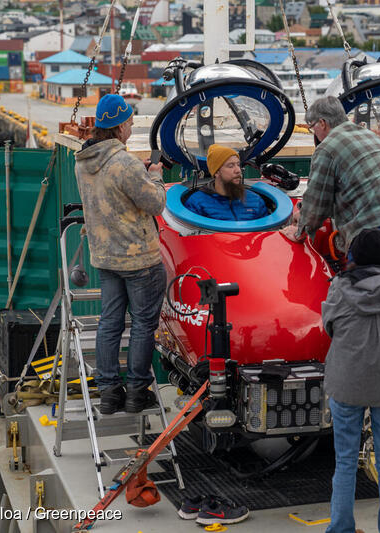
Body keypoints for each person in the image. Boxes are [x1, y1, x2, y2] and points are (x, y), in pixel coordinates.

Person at [281, 96, 380, 391]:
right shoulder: (370, 135)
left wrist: (299, 229)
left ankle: (367, 384)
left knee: (363, 304)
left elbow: (316, 202)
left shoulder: (327, 147)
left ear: (323, 124)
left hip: (376, 233)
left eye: (313, 127)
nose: (314, 133)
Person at [75, 94, 167, 414]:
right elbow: (155, 203)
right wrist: (153, 174)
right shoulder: (125, 163)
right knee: (142, 324)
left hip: (105, 256)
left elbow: (112, 188)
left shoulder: (83, 163)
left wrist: (137, 172)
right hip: (138, 258)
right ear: (119, 127)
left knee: (109, 323)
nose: (130, 128)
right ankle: (137, 393)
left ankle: (110, 393)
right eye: (128, 123)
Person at [322, 228, 380, 533]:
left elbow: (330, 327)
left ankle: (341, 528)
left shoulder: (338, 288)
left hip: (347, 381)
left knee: (345, 461)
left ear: (354, 255)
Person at [184, 144, 270, 220]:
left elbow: (268, 231)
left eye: (238, 164)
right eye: (230, 166)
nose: (238, 170)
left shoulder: (255, 200)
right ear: (217, 172)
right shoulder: (197, 203)